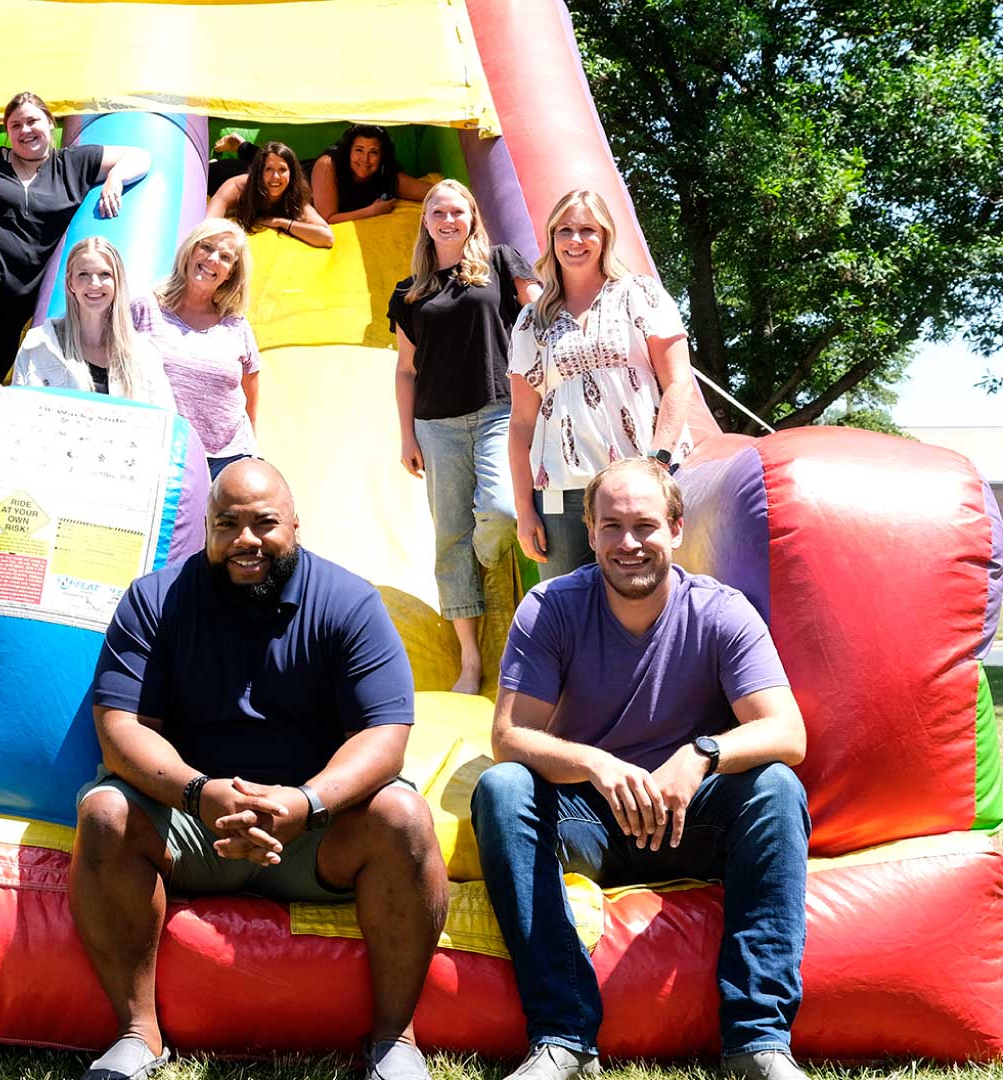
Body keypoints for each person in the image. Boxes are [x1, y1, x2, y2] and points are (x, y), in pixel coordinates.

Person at [69, 459, 448, 1080]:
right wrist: (199, 792)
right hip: (193, 824)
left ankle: (394, 1042)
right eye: (228, 524)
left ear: (296, 525)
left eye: (265, 523)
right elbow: (119, 731)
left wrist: (307, 802)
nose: (247, 540)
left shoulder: (349, 603)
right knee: (106, 810)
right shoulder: (155, 600)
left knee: (402, 815)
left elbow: (385, 736)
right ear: (207, 532)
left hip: (311, 833)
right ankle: (137, 1034)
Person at [469, 458, 811, 1080]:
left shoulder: (721, 611)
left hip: (692, 819)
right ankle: (563, 1037)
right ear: (591, 531)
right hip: (590, 821)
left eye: (645, 526)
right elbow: (508, 738)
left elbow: (788, 733)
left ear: (677, 529)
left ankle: (758, 1041)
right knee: (503, 788)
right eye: (612, 526)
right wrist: (596, 764)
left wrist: (701, 754)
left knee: (776, 787)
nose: (629, 544)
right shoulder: (551, 607)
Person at [388, 179, 539, 695]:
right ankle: (470, 662)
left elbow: (541, 313)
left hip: (498, 410)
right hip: (437, 425)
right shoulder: (409, 293)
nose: (448, 220)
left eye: (458, 212)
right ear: (426, 223)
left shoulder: (501, 262)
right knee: (449, 540)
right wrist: (406, 434)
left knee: (500, 511)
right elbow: (406, 370)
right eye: (438, 213)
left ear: (473, 217)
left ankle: (489, 557)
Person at [507, 189, 701, 580]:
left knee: (646, 599)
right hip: (563, 491)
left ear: (605, 237)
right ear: (551, 237)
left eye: (587, 230)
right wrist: (525, 508)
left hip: (641, 478)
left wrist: (656, 463)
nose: (575, 240)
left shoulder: (639, 294)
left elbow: (679, 381)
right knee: (569, 614)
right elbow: (521, 424)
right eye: (565, 230)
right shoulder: (531, 320)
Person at [0, 91, 152, 380]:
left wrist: (114, 178)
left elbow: (139, 156)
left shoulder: (71, 165)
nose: (25, 130)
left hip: (10, 304)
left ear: (51, 123)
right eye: (16, 125)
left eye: (32, 121)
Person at [134, 220, 260, 479]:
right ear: (191, 250)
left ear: (231, 272)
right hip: (161, 451)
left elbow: (251, 383)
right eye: (206, 247)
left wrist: (253, 449)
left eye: (225, 257)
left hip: (228, 457)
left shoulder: (236, 325)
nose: (212, 259)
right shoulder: (145, 308)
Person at [11, 237, 175, 408]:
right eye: (84, 274)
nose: (94, 284)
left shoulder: (145, 355)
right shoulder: (39, 345)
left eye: (105, 274)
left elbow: (164, 422)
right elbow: (17, 415)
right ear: (70, 283)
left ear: (117, 281)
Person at [206, 140, 334, 249]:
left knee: (269, 160)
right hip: (221, 174)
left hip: (253, 171)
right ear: (260, 172)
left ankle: (240, 144)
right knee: (212, 170)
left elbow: (327, 237)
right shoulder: (238, 187)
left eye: (282, 170)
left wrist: (281, 222)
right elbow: (208, 224)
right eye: (269, 169)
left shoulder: (294, 197)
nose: (276, 176)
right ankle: (220, 157)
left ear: (291, 174)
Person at [311, 124, 434, 224]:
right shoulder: (327, 165)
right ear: (348, 151)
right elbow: (326, 219)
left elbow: (433, 192)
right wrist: (372, 211)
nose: (365, 159)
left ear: (382, 157)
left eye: (373, 152)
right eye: (359, 150)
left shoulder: (386, 173)